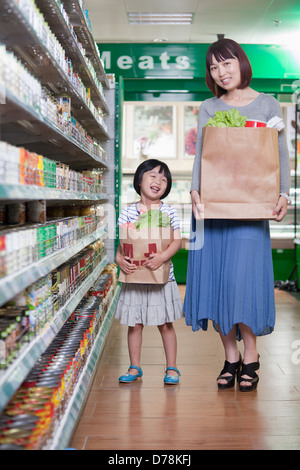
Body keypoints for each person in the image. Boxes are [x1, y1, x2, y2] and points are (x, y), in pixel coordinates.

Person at [183, 38, 291, 392]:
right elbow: (203, 156)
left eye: (226, 63)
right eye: (214, 67)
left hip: (250, 210)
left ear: (241, 63)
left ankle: (252, 355)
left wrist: (283, 193)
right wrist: (195, 191)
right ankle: (230, 357)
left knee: (242, 282)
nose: (220, 72)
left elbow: (280, 155)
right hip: (211, 210)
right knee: (218, 283)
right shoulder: (209, 107)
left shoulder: (268, 104)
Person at [115, 159, 183, 385]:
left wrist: (163, 257)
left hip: (162, 278)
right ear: (139, 179)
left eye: (164, 179)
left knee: (165, 324)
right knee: (134, 324)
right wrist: (119, 261)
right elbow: (121, 246)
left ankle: (171, 367)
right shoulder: (127, 212)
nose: (158, 181)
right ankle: (135, 367)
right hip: (135, 277)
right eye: (153, 175)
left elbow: (176, 241)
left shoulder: (169, 211)